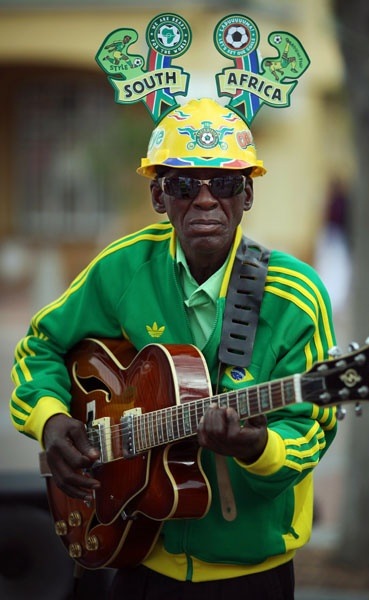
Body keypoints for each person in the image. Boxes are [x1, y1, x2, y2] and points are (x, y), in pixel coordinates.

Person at [10, 97, 337, 600]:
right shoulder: (122, 267)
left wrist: (257, 448)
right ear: (158, 196)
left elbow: (312, 427)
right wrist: (51, 419)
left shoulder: (295, 295)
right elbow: (42, 344)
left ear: (247, 194)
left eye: (224, 184)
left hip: (250, 575)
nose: (205, 201)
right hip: (135, 553)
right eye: (184, 185)